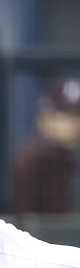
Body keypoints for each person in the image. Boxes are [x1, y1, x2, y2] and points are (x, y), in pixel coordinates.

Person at [12, 78, 80, 215]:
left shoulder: (67, 154)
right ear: (46, 117)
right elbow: (25, 221)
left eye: (77, 115)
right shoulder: (32, 160)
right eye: (66, 115)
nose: (73, 124)